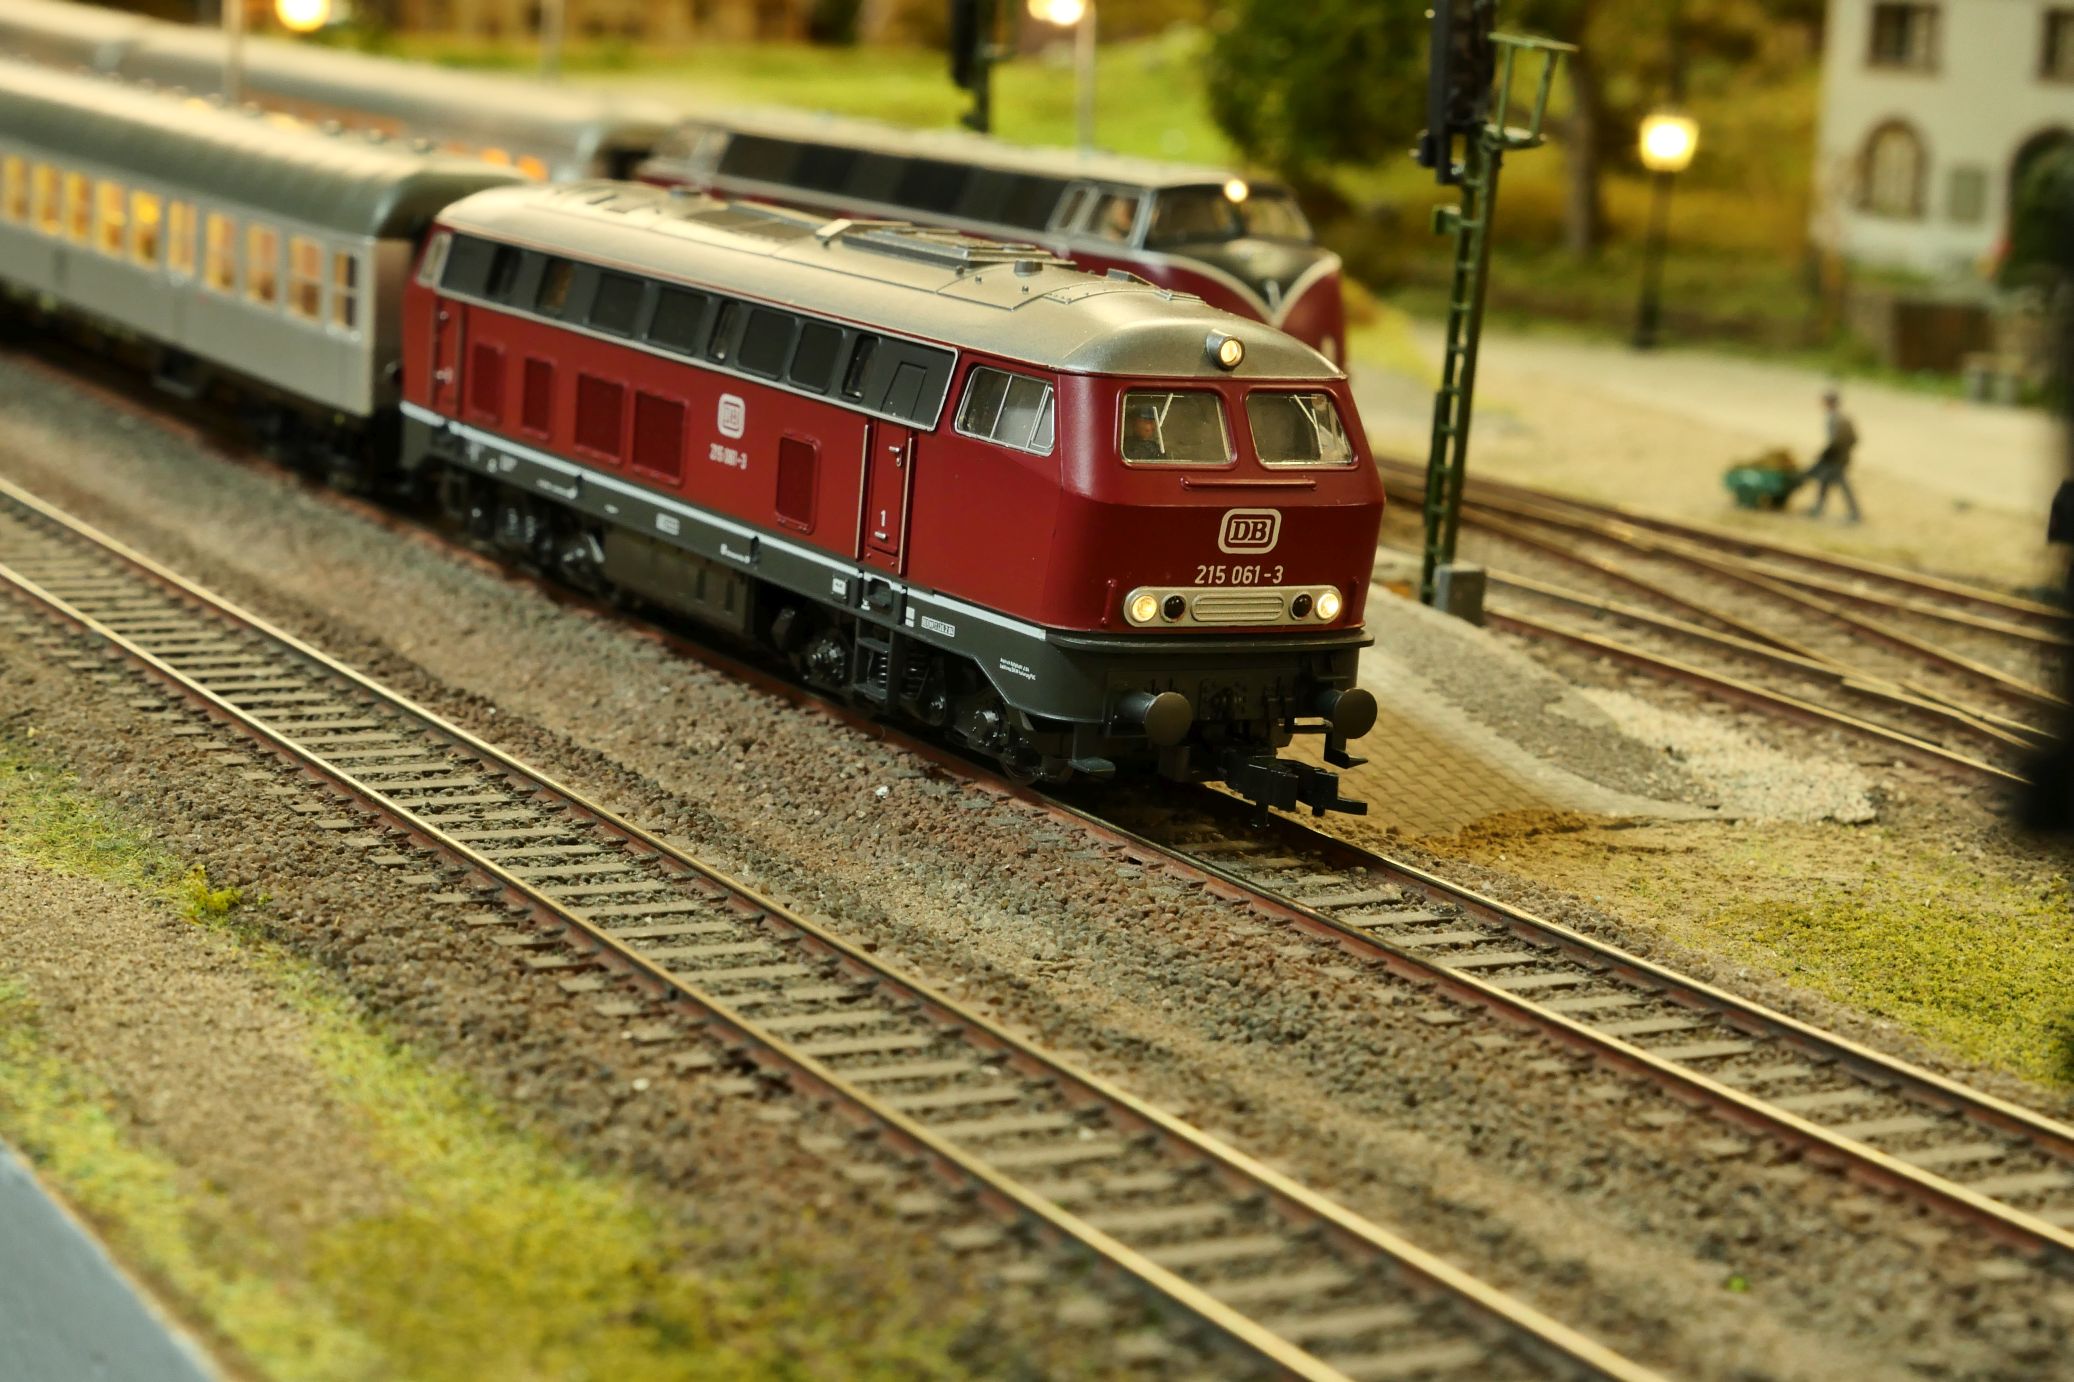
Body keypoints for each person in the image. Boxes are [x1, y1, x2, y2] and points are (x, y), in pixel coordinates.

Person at [1805, 389, 1862, 522]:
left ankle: (1854, 513)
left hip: (1835, 458)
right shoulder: (1844, 418)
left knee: (1841, 484)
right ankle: (1819, 507)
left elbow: (1834, 442)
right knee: (1824, 482)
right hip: (1841, 457)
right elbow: (1855, 439)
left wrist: (1825, 454)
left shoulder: (1833, 419)